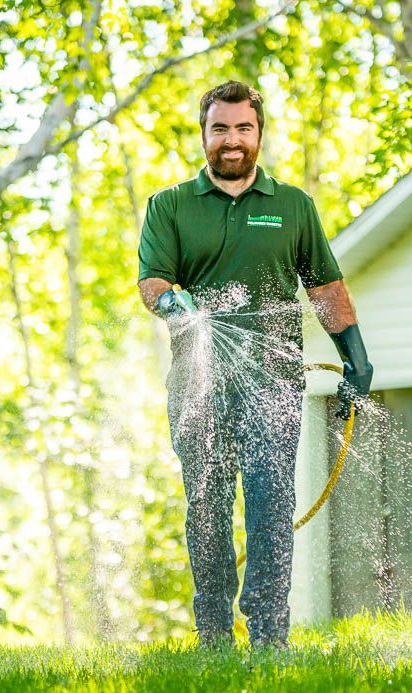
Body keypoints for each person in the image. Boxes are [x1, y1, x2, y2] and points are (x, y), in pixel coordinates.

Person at [137, 80, 374, 650]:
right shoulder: (169, 205)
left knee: (271, 505)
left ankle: (270, 637)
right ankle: (214, 634)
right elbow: (152, 283)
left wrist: (356, 359)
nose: (232, 140)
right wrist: (176, 303)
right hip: (199, 385)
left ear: (259, 134)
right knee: (208, 505)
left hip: (275, 382)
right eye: (220, 128)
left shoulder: (293, 206)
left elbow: (325, 285)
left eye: (244, 128)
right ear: (204, 135)